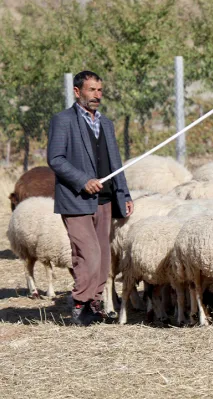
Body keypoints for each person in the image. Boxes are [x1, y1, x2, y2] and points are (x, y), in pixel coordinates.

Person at [47, 71, 134, 326]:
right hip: (76, 199)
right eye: (91, 90)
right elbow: (56, 159)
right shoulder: (63, 121)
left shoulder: (105, 123)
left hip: (105, 199)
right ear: (77, 92)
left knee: (104, 256)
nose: (97, 95)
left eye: (99, 90)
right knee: (88, 253)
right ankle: (79, 304)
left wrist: (123, 194)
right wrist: (82, 180)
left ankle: (93, 305)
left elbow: (115, 162)